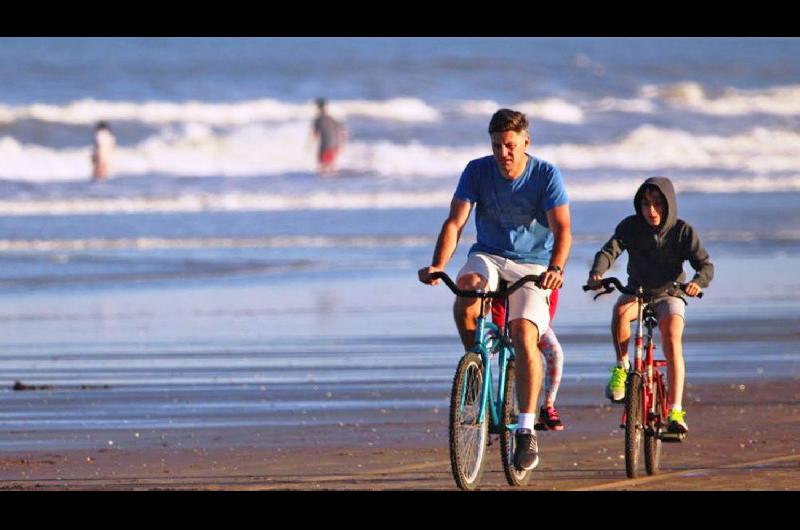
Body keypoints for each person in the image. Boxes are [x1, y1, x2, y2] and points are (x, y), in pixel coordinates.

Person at [418, 109, 572, 471]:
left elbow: (562, 229)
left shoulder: (546, 174)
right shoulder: (476, 170)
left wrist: (555, 269)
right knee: (466, 295)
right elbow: (456, 221)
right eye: (496, 145)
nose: (503, 153)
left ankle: (525, 428)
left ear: (525, 143)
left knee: (523, 333)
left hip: (534, 264)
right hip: (488, 256)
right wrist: (439, 264)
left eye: (510, 145)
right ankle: (475, 371)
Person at [586, 177, 713, 435]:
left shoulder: (682, 231)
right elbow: (609, 251)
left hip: (670, 294)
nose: (651, 211)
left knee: (672, 338)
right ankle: (622, 367)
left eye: (657, 204)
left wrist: (697, 283)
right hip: (638, 293)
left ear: (668, 205)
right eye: (645, 204)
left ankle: (675, 411)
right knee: (620, 312)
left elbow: (706, 266)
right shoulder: (630, 227)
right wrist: (597, 274)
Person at [491, 289, 565, 431]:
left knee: (556, 353)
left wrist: (541, 325)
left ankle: (548, 405)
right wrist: (499, 324)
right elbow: (498, 300)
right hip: (504, 323)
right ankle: (480, 395)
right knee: (484, 349)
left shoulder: (545, 270)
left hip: (536, 323)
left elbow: (551, 299)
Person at [311, 98, 347, 176]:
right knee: (331, 168)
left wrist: (308, 146)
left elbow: (314, 135)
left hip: (325, 146)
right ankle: (332, 186)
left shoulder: (318, 119)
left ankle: (325, 187)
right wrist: (342, 144)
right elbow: (343, 131)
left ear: (318, 107)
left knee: (322, 170)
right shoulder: (332, 119)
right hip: (334, 145)